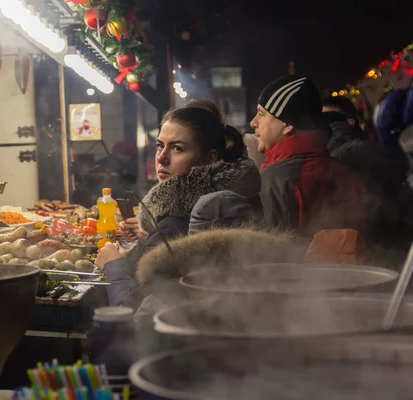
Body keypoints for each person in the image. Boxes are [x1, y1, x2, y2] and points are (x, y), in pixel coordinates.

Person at [95, 107, 261, 308]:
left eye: (177, 148)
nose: (161, 158)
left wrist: (113, 265)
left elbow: (131, 315)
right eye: (159, 146)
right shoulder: (228, 200)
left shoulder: (177, 221)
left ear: (209, 159)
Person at [251, 75, 367, 236]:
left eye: (261, 114)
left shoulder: (275, 179)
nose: (253, 122)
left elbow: (273, 253)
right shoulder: (345, 172)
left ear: (288, 124)